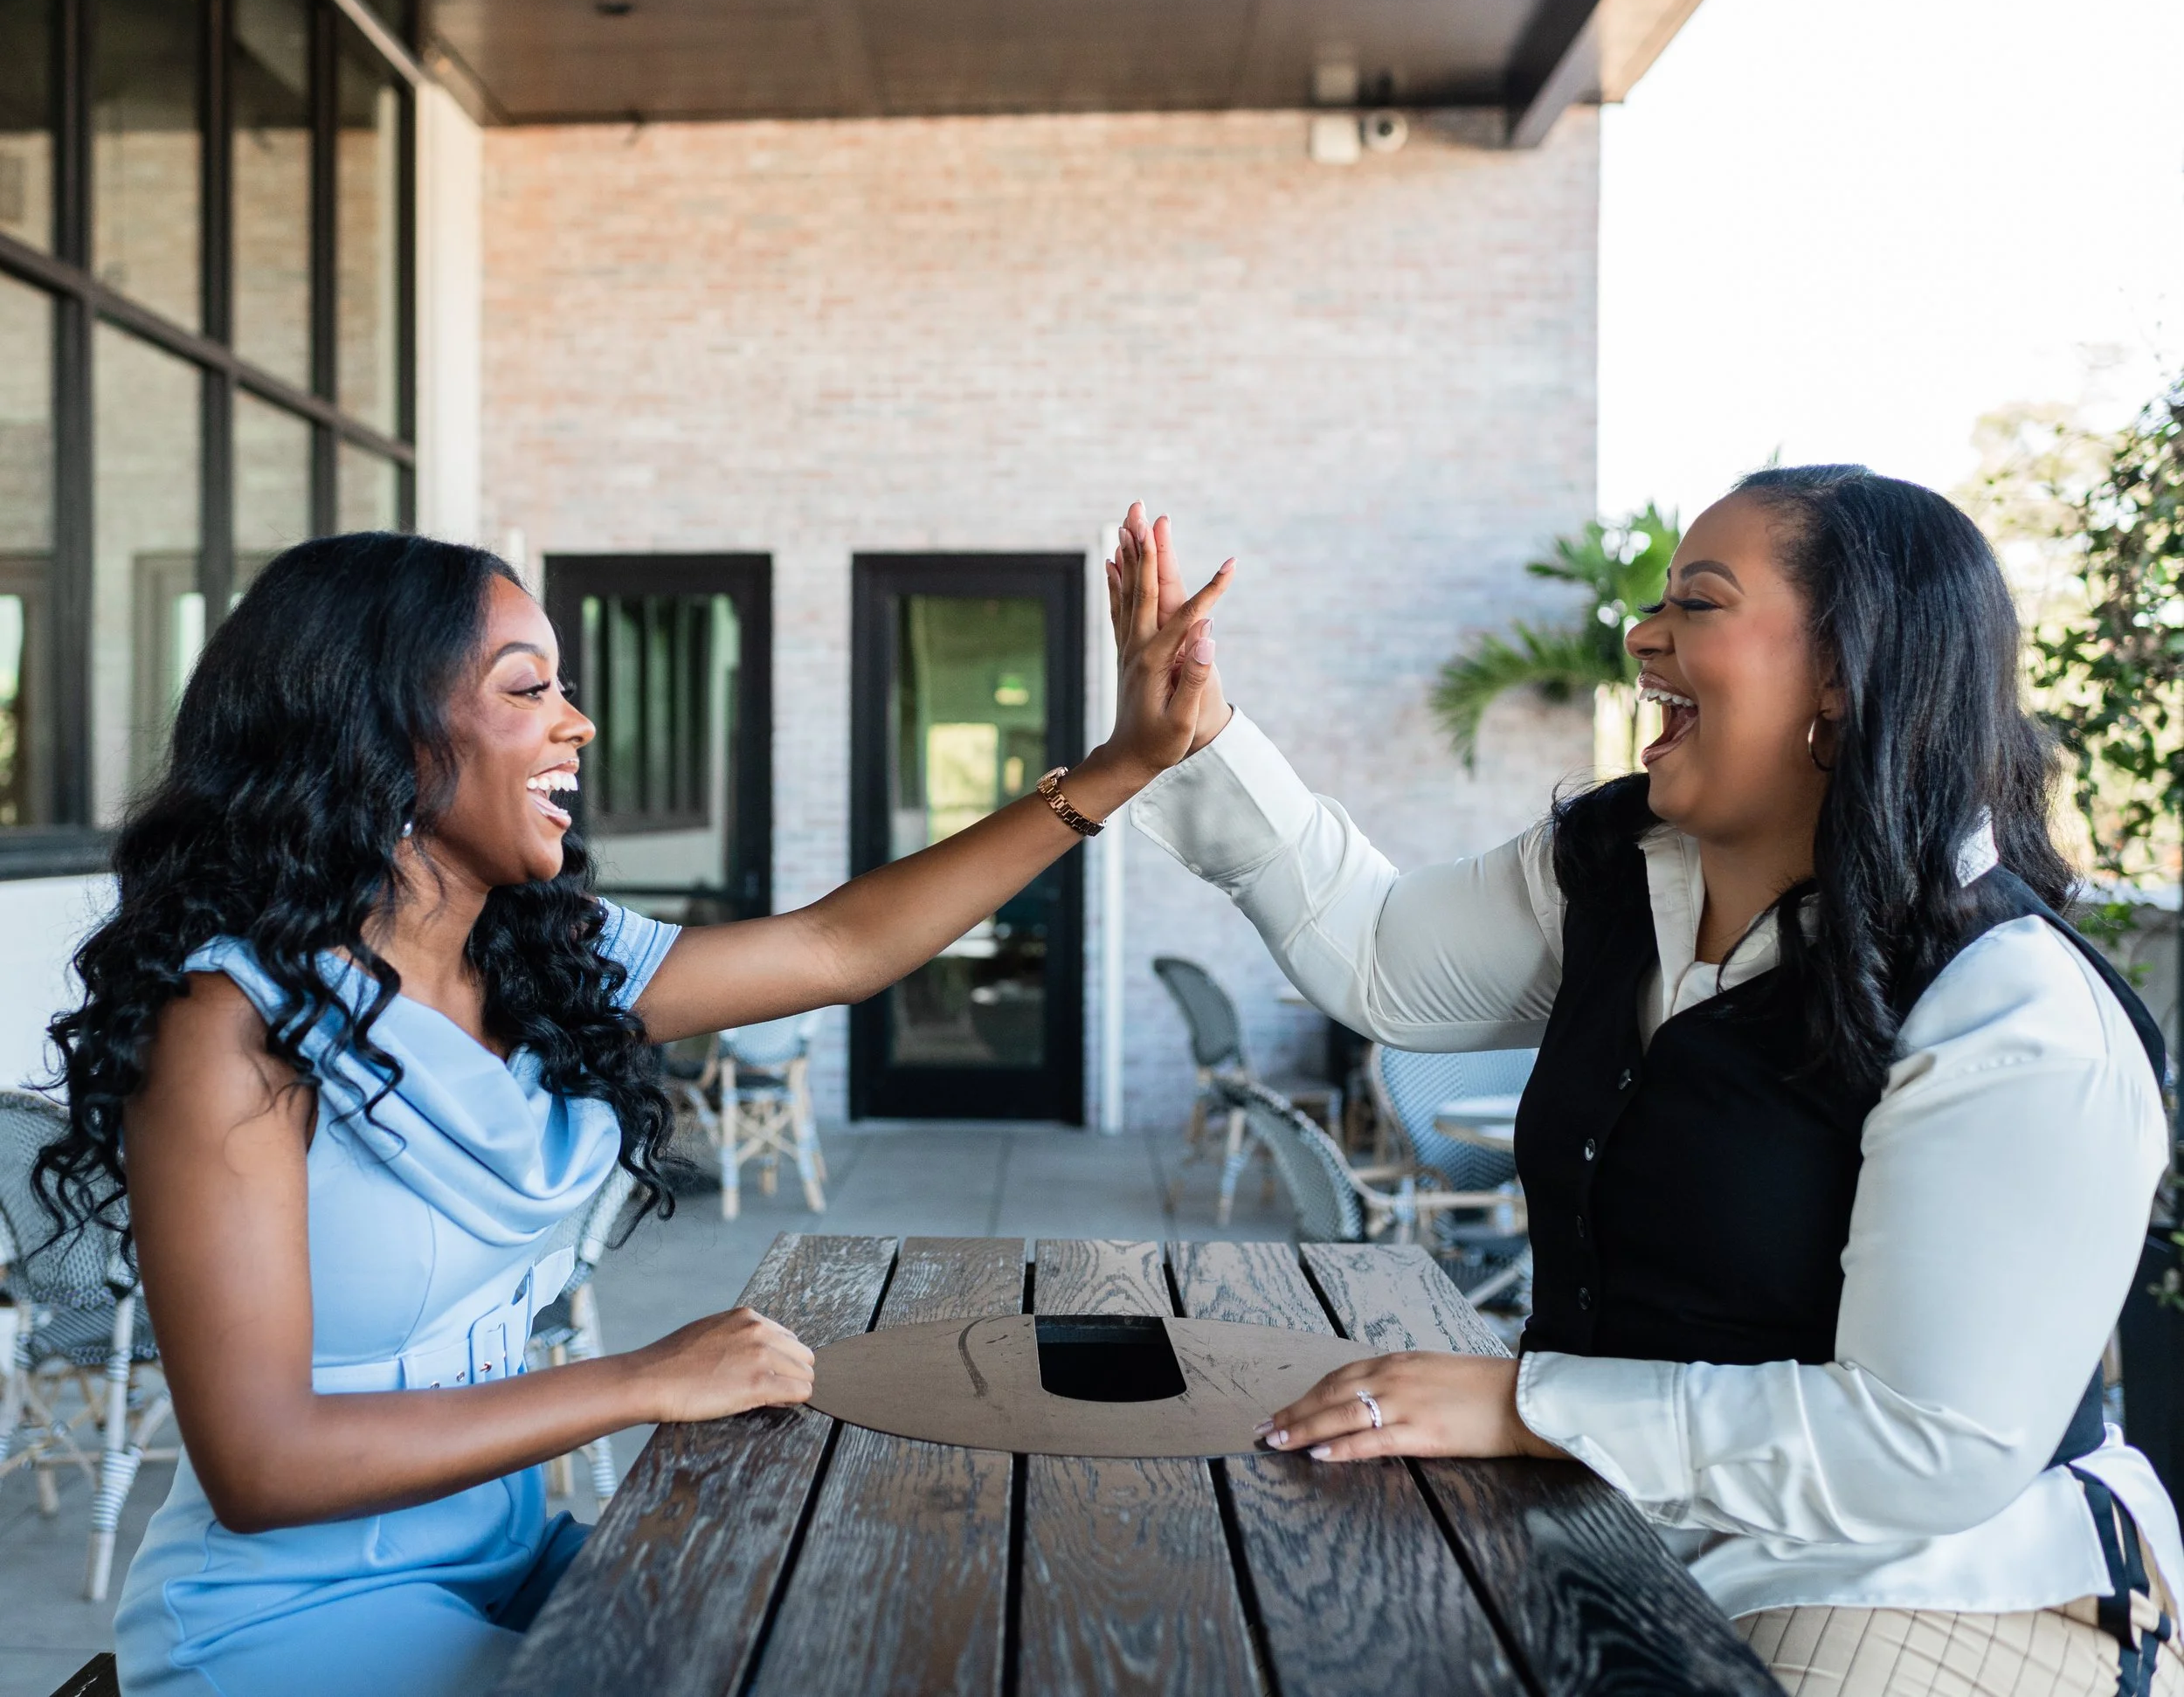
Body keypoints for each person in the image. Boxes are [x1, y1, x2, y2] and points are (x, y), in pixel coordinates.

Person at [42, 528, 1228, 1697]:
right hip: (285, 1619)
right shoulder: (233, 1025)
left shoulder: (543, 958)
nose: (579, 724)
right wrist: (644, 1377)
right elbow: (258, 1464)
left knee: (834, 1628)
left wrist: (1121, 765)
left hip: (500, 1561)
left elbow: (842, 943)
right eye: (529, 688)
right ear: (384, 733)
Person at [1123, 474, 2184, 1696]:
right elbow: (1382, 960)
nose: (1642, 633)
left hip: (1932, 1574)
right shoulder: (1620, 871)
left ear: (1844, 673)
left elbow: (1926, 1448)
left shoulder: (2015, 1009)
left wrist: (1531, 1407)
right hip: (1634, 1526)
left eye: (1701, 601)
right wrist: (1199, 736)